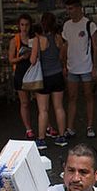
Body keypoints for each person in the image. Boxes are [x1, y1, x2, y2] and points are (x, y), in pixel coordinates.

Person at [61, 0, 97, 139]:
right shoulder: (67, 25)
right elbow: (65, 45)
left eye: (71, 8)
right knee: (72, 97)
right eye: (67, 9)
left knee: (88, 96)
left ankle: (90, 126)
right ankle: (70, 127)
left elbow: (95, 47)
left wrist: (94, 67)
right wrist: (64, 64)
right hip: (72, 67)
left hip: (86, 66)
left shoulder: (89, 24)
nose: (69, 11)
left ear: (78, 8)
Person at [31, 13, 68, 147]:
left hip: (44, 77)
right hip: (57, 75)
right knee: (59, 107)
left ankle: (41, 139)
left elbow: (33, 60)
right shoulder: (58, 38)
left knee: (43, 110)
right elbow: (62, 57)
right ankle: (62, 136)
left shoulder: (38, 40)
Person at [9, 14, 37, 141]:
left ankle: (46, 125)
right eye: (22, 25)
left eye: (27, 25)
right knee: (24, 102)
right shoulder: (15, 41)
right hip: (21, 73)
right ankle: (28, 129)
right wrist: (21, 57)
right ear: (18, 26)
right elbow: (11, 59)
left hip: (34, 72)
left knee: (40, 102)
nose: (24, 28)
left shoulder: (34, 39)